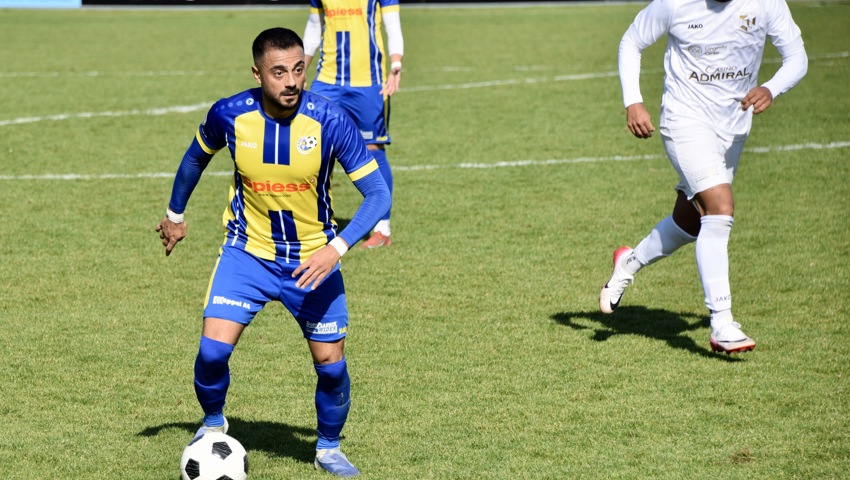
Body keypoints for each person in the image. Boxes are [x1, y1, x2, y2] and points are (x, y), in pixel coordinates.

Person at [156, 27, 390, 477]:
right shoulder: (230, 115)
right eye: (279, 72)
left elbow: (378, 194)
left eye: (298, 69)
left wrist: (335, 249)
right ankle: (212, 424)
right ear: (258, 73)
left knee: (331, 367)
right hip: (248, 254)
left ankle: (327, 449)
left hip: (311, 261)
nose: (291, 81)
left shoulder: (330, 120)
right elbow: (194, 159)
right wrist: (175, 214)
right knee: (211, 354)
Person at [600, 0, 807, 354]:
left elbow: (797, 58)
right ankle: (722, 322)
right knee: (719, 207)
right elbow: (631, 41)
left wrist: (771, 88)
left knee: (691, 222)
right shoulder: (674, 3)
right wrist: (633, 100)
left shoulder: (767, 3)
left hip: (733, 128)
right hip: (684, 120)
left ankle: (627, 263)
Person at [302, 0, 404, 248]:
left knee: (373, 149)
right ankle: (313, 222)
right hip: (327, 82)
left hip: (369, 84)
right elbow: (315, 27)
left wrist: (396, 65)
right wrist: (301, 68)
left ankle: (382, 230)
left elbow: (392, 26)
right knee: (314, 149)